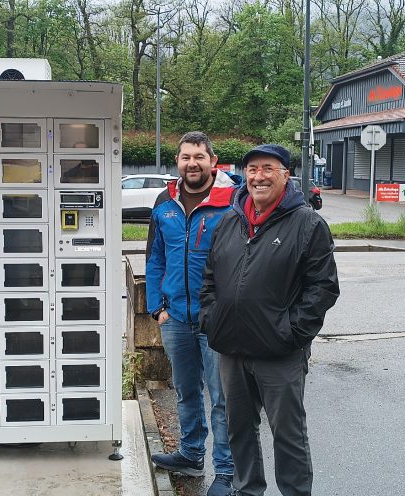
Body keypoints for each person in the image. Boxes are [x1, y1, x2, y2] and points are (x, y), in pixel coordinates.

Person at [199, 144, 340, 496]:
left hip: (279, 353)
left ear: (284, 175)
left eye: (267, 169)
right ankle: (248, 490)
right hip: (231, 348)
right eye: (252, 169)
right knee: (239, 430)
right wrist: (211, 318)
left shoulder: (307, 224)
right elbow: (210, 276)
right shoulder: (231, 220)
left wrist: (291, 334)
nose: (258, 176)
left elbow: (323, 288)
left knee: (288, 435)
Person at [146, 131, 241, 496]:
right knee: (186, 391)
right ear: (178, 162)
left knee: (222, 398)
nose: (192, 163)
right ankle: (190, 453)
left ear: (213, 162)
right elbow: (155, 257)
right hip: (176, 318)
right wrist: (156, 307)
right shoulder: (164, 201)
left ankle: (226, 472)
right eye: (186, 157)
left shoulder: (232, 199)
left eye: (199, 156)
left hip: (215, 320)